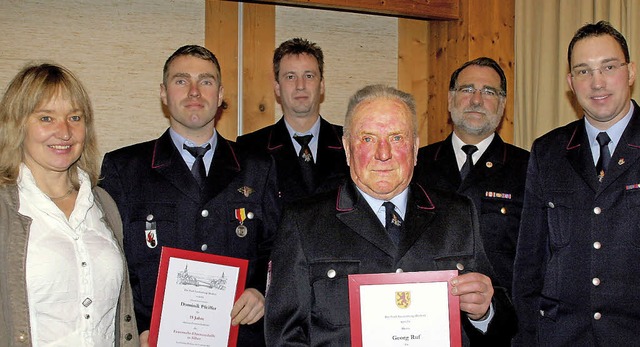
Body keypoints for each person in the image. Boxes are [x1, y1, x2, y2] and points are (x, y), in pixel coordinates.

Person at [265, 84, 516, 345]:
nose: (383, 154)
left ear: (416, 148)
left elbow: (505, 323)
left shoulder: (458, 214)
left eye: (397, 138)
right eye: (368, 138)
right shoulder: (304, 222)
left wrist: (485, 313)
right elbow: (284, 337)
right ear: (348, 149)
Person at [100, 45, 280, 346]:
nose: (194, 92)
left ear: (220, 94)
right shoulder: (124, 169)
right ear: (163, 93)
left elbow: (278, 247)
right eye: (182, 81)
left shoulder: (257, 167)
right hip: (156, 338)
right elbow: (112, 260)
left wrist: (262, 289)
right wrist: (140, 326)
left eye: (206, 81)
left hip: (238, 335)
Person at [512, 21, 639, 345]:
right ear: (571, 82)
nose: (597, 83)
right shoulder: (548, 152)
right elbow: (529, 266)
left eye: (608, 67)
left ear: (631, 72)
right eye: (583, 71)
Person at [0, 63, 139, 345]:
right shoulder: (5, 211)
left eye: (74, 117)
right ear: (17, 124)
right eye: (46, 118)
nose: (64, 133)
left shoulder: (104, 204)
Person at [413, 57, 529, 294]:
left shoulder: (527, 168)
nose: (476, 100)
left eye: (489, 92)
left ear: (503, 103)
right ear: (450, 98)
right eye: (467, 90)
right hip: (426, 313)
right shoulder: (416, 164)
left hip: (500, 320)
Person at [236, 37, 348, 204]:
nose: (300, 85)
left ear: (322, 85)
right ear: (277, 88)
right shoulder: (249, 149)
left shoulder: (351, 144)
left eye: (309, 76)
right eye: (290, 77)